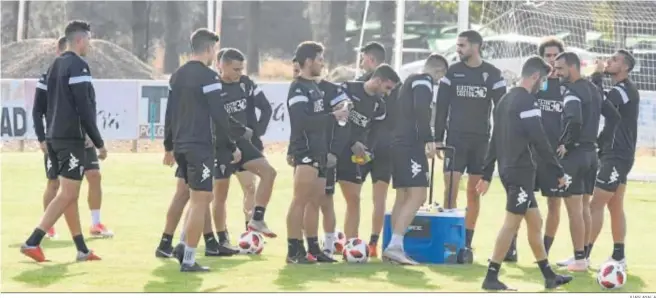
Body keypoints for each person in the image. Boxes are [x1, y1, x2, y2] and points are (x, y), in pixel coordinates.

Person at [476, 56, 572, 290]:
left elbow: (494, 139)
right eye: (545, 80)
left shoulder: (504, 100)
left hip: (508, 169)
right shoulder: (528, 102)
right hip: (520, 172)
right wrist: (558, 171)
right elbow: (539, 140)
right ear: (536, 77)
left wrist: (487, 173)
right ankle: (491, 277)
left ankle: (549, 276)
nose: (545, 85)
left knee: (535, 221)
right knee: (511, 223)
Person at [165, 28, 251, 272]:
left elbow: (169, 112)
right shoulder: (208, 77)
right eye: (215, 49)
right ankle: (189, 259)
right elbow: (219, 114)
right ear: (210, 49)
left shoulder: (177, 75)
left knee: (196, 198)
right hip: (199, 146)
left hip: (181, 145)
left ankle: (182, 245)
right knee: (201, 200)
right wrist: (233, 144)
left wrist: (168, 145)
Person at [21, 20, 107, 262]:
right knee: (67, 193)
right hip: (71, 138)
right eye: (89, 39)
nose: (90, 44)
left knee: (70, 193)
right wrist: (99, 142)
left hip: (55, 137)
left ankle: (81, 249)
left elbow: (44, 106)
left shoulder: (54, 65)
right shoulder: (78, 66)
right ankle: (32, 241)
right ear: (80, 40)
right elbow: (84, 107)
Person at [433, 30, 507, 263]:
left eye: (462, 45)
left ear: (476, 46)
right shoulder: (453, 72)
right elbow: (441, 106)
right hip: (455, 141)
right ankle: (448, 241)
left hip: (480, 142)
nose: (458, 49)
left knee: (474, 195)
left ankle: (466, 242)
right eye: (458, 45)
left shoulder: (492, 74)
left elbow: (502, 110)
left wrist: (500, 141)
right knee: (450, 189)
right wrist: (437, 138)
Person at [32, 36, 115, 241]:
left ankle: (94, 226)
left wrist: (91, 135)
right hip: (61, 137)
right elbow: (38, 110)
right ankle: (43, 230)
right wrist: (42, 138)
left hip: (81, 137)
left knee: (93, 176)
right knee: (56, 184)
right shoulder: (50, 74)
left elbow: (87, 106)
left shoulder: (79, 70)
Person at [551, 52, 621, 272]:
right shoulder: (593, 89)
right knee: (583, 208)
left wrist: (568, 145)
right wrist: (598, 141)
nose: (557, 73)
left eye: (560, 68)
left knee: (574, 210)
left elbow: (574, 120)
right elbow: (615, 116)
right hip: (591, 155)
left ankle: (579, 259)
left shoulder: (572, 91)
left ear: (572, 68)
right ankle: (582, 256)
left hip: (575, 156)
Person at [286, 41, 349, 264]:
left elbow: (318, 118)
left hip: (319, 152)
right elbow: (301, 121)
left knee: (315, 200)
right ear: (309, 61)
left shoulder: (314, 87)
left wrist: (335, 113)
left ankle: (313, 248)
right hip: (305, 151)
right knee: (300, 201)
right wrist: (333, 116)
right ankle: (294, 250)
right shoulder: (298, 88)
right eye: (320, 59)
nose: (323, 64)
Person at [211, 48, 278, 253]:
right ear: (221, 66)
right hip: (221, 146)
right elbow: (217, 120)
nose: (240, 72)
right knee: (220, 195)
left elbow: (266, 107)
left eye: (242, 68)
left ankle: (254, 224)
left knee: (260, 179)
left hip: (244, 144)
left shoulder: (246, 84)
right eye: (236, 69)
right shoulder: (213, 87)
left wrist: (256, 133)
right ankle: (222, 238)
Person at [384, 54, 446, 265]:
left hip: (398, 143)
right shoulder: (423, 80)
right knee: (419, 194)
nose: (437, 83)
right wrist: (428, 138)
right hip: (410, 145)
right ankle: (394, 246)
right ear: (437, 72)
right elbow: (421, 108)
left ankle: (393, 246)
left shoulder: (407, 81)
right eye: (439, 78)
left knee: (403, 197)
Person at [588, 49, 639, 269]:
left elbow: (602, 104)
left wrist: (596, 76)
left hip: (618, 155)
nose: (609, 62)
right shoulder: (620, 89)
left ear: (625, 67)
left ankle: (582, 255)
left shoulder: (624, 89)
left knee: (596, 204)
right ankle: (619, 256)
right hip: (614, 153)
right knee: (615, 205)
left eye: (615, 60)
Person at [355, 42, 398, 257]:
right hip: (384, 147)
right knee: (377, 197)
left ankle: (352, 241)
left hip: (365, 147)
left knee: (354, 195)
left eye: (363, 58)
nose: (362, 63)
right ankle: (371, 243)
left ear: (371, 60)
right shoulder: (395, 84)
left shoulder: (364, 84)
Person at [304, 71, 351, 262]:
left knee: (325, 201)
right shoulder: (301, 89)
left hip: (326, 154)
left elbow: (344, 121)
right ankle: (309, 246)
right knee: (305, 200)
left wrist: (335, 151)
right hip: (305, 154)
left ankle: (329, 247)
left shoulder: (333, 90)